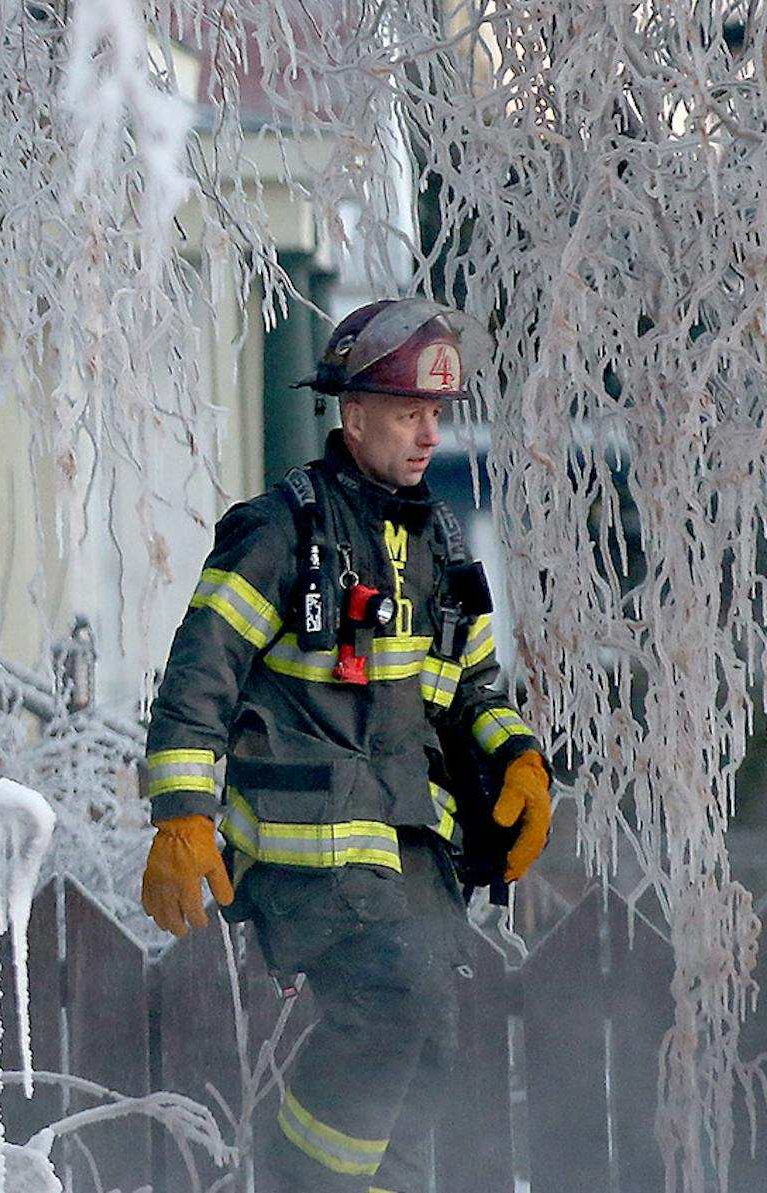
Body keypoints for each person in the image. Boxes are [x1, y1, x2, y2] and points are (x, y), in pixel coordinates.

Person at [137, 299, 552, 1193]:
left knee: (430, 1031)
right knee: (389, 1004)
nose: (428, 435)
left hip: (407, 848)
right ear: (353, 413)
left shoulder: (436, 544)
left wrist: (519, 760)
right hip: (307, 848)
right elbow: (196, 680)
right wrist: (182, 818)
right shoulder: (278, 530)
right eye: (409, 413)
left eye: (437, 416)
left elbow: (470, 689)